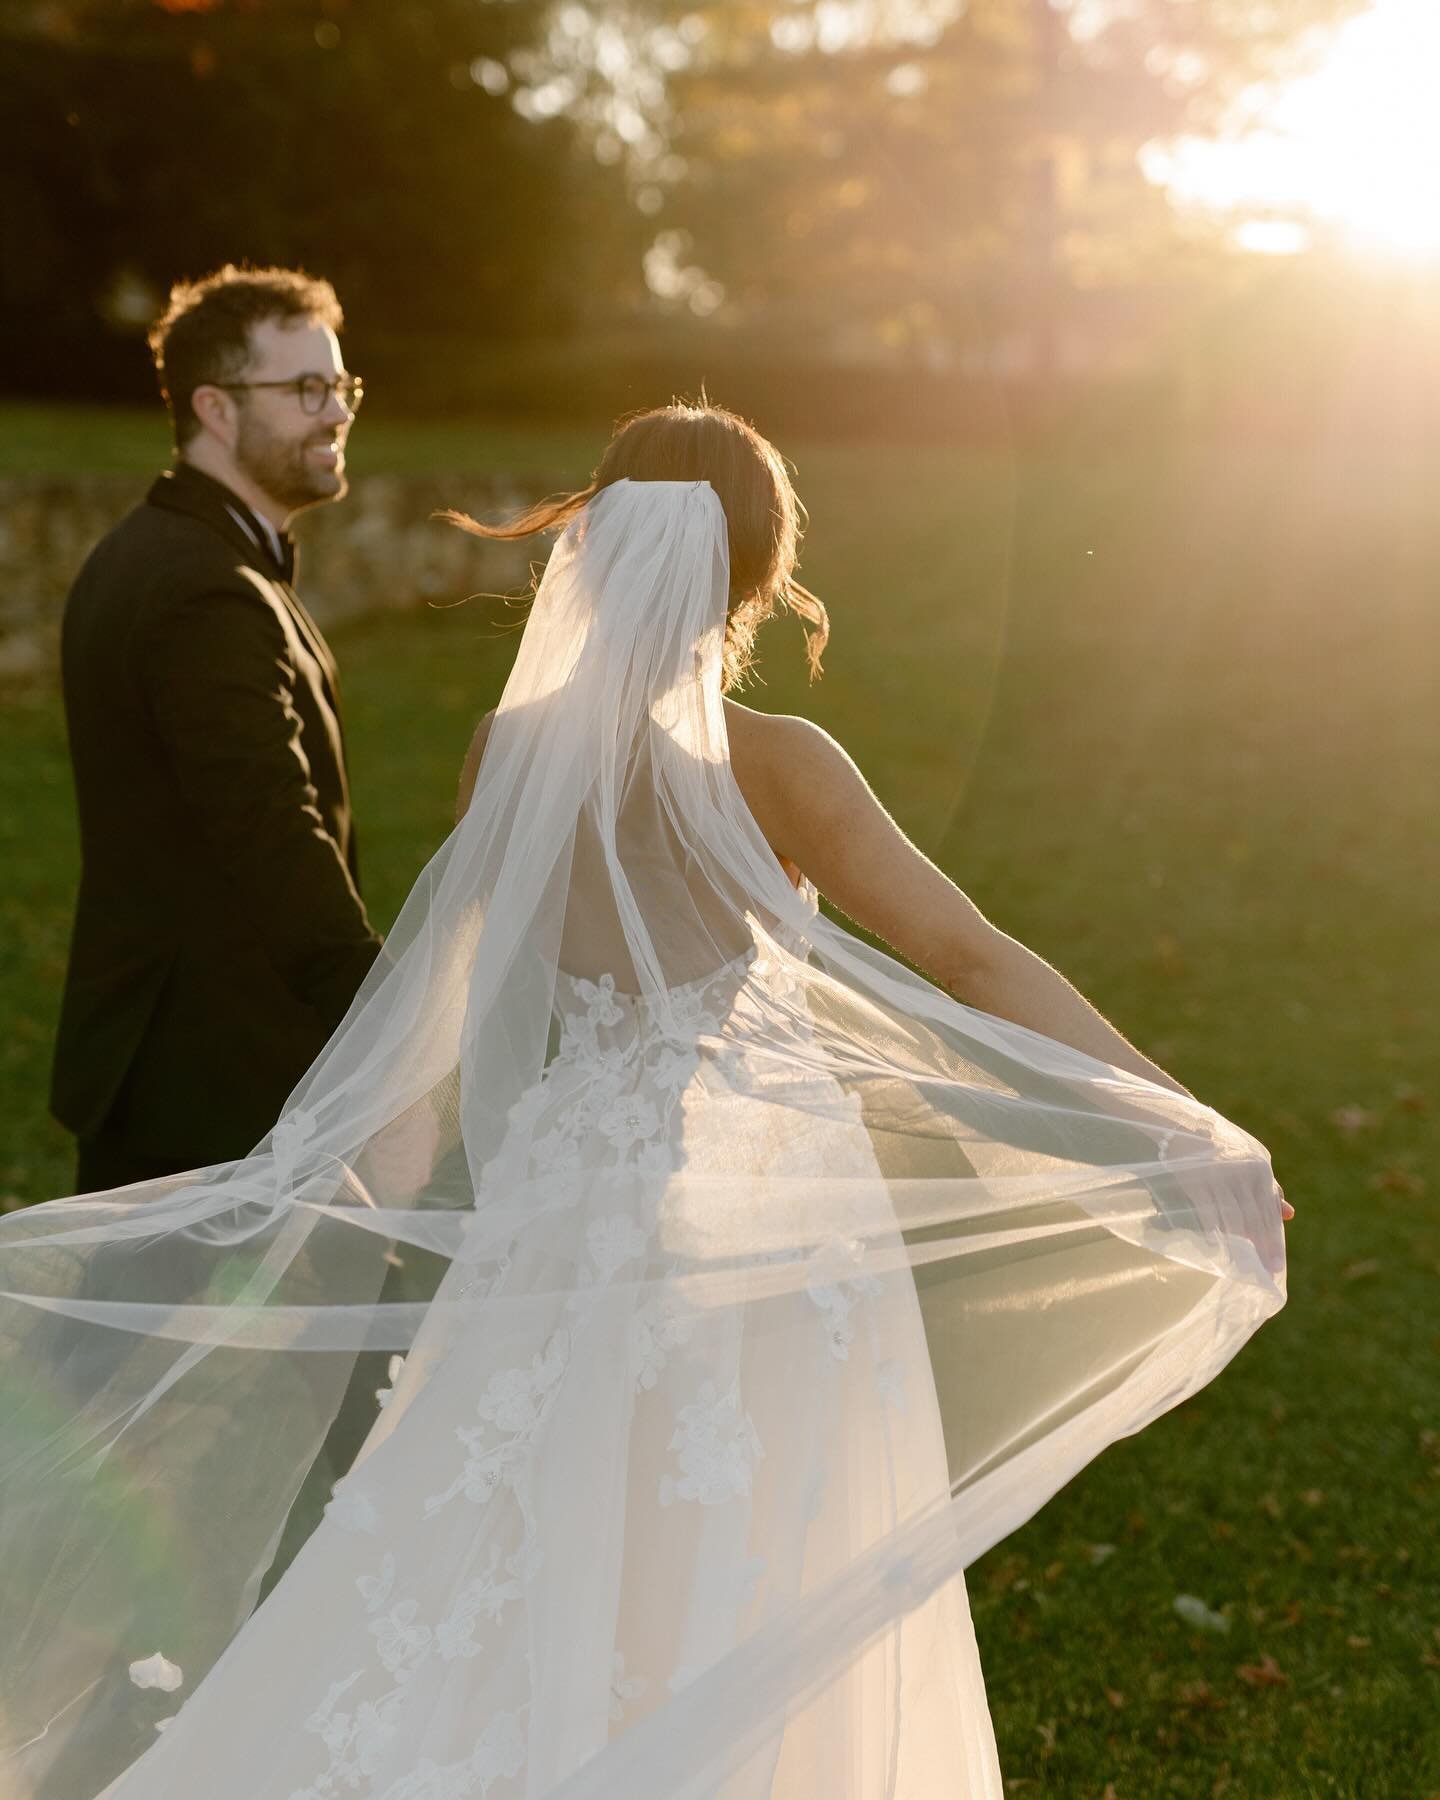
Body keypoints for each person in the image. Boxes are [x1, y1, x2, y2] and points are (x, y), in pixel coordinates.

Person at [0, 403, 1289, 1800]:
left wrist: (357, 1181)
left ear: (595, 551)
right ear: (755, 573)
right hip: (764, 1211)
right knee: (754, 1553)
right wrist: (1177, 1123)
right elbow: (970, 958)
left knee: (517, 1536)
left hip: (568, 1202)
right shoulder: (785, 766)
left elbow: (442, 1014)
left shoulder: (511, 750)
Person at [50, 263, 383, 1193]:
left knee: (352, 1324)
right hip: (205, 1079)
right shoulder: (203, 588)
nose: (336, 412)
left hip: (197, 1066)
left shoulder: (180, 555)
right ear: (218, 409)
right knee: (358, 1320)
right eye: (306, 389)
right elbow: (268, 822)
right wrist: (383, 1017)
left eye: (341, 385)